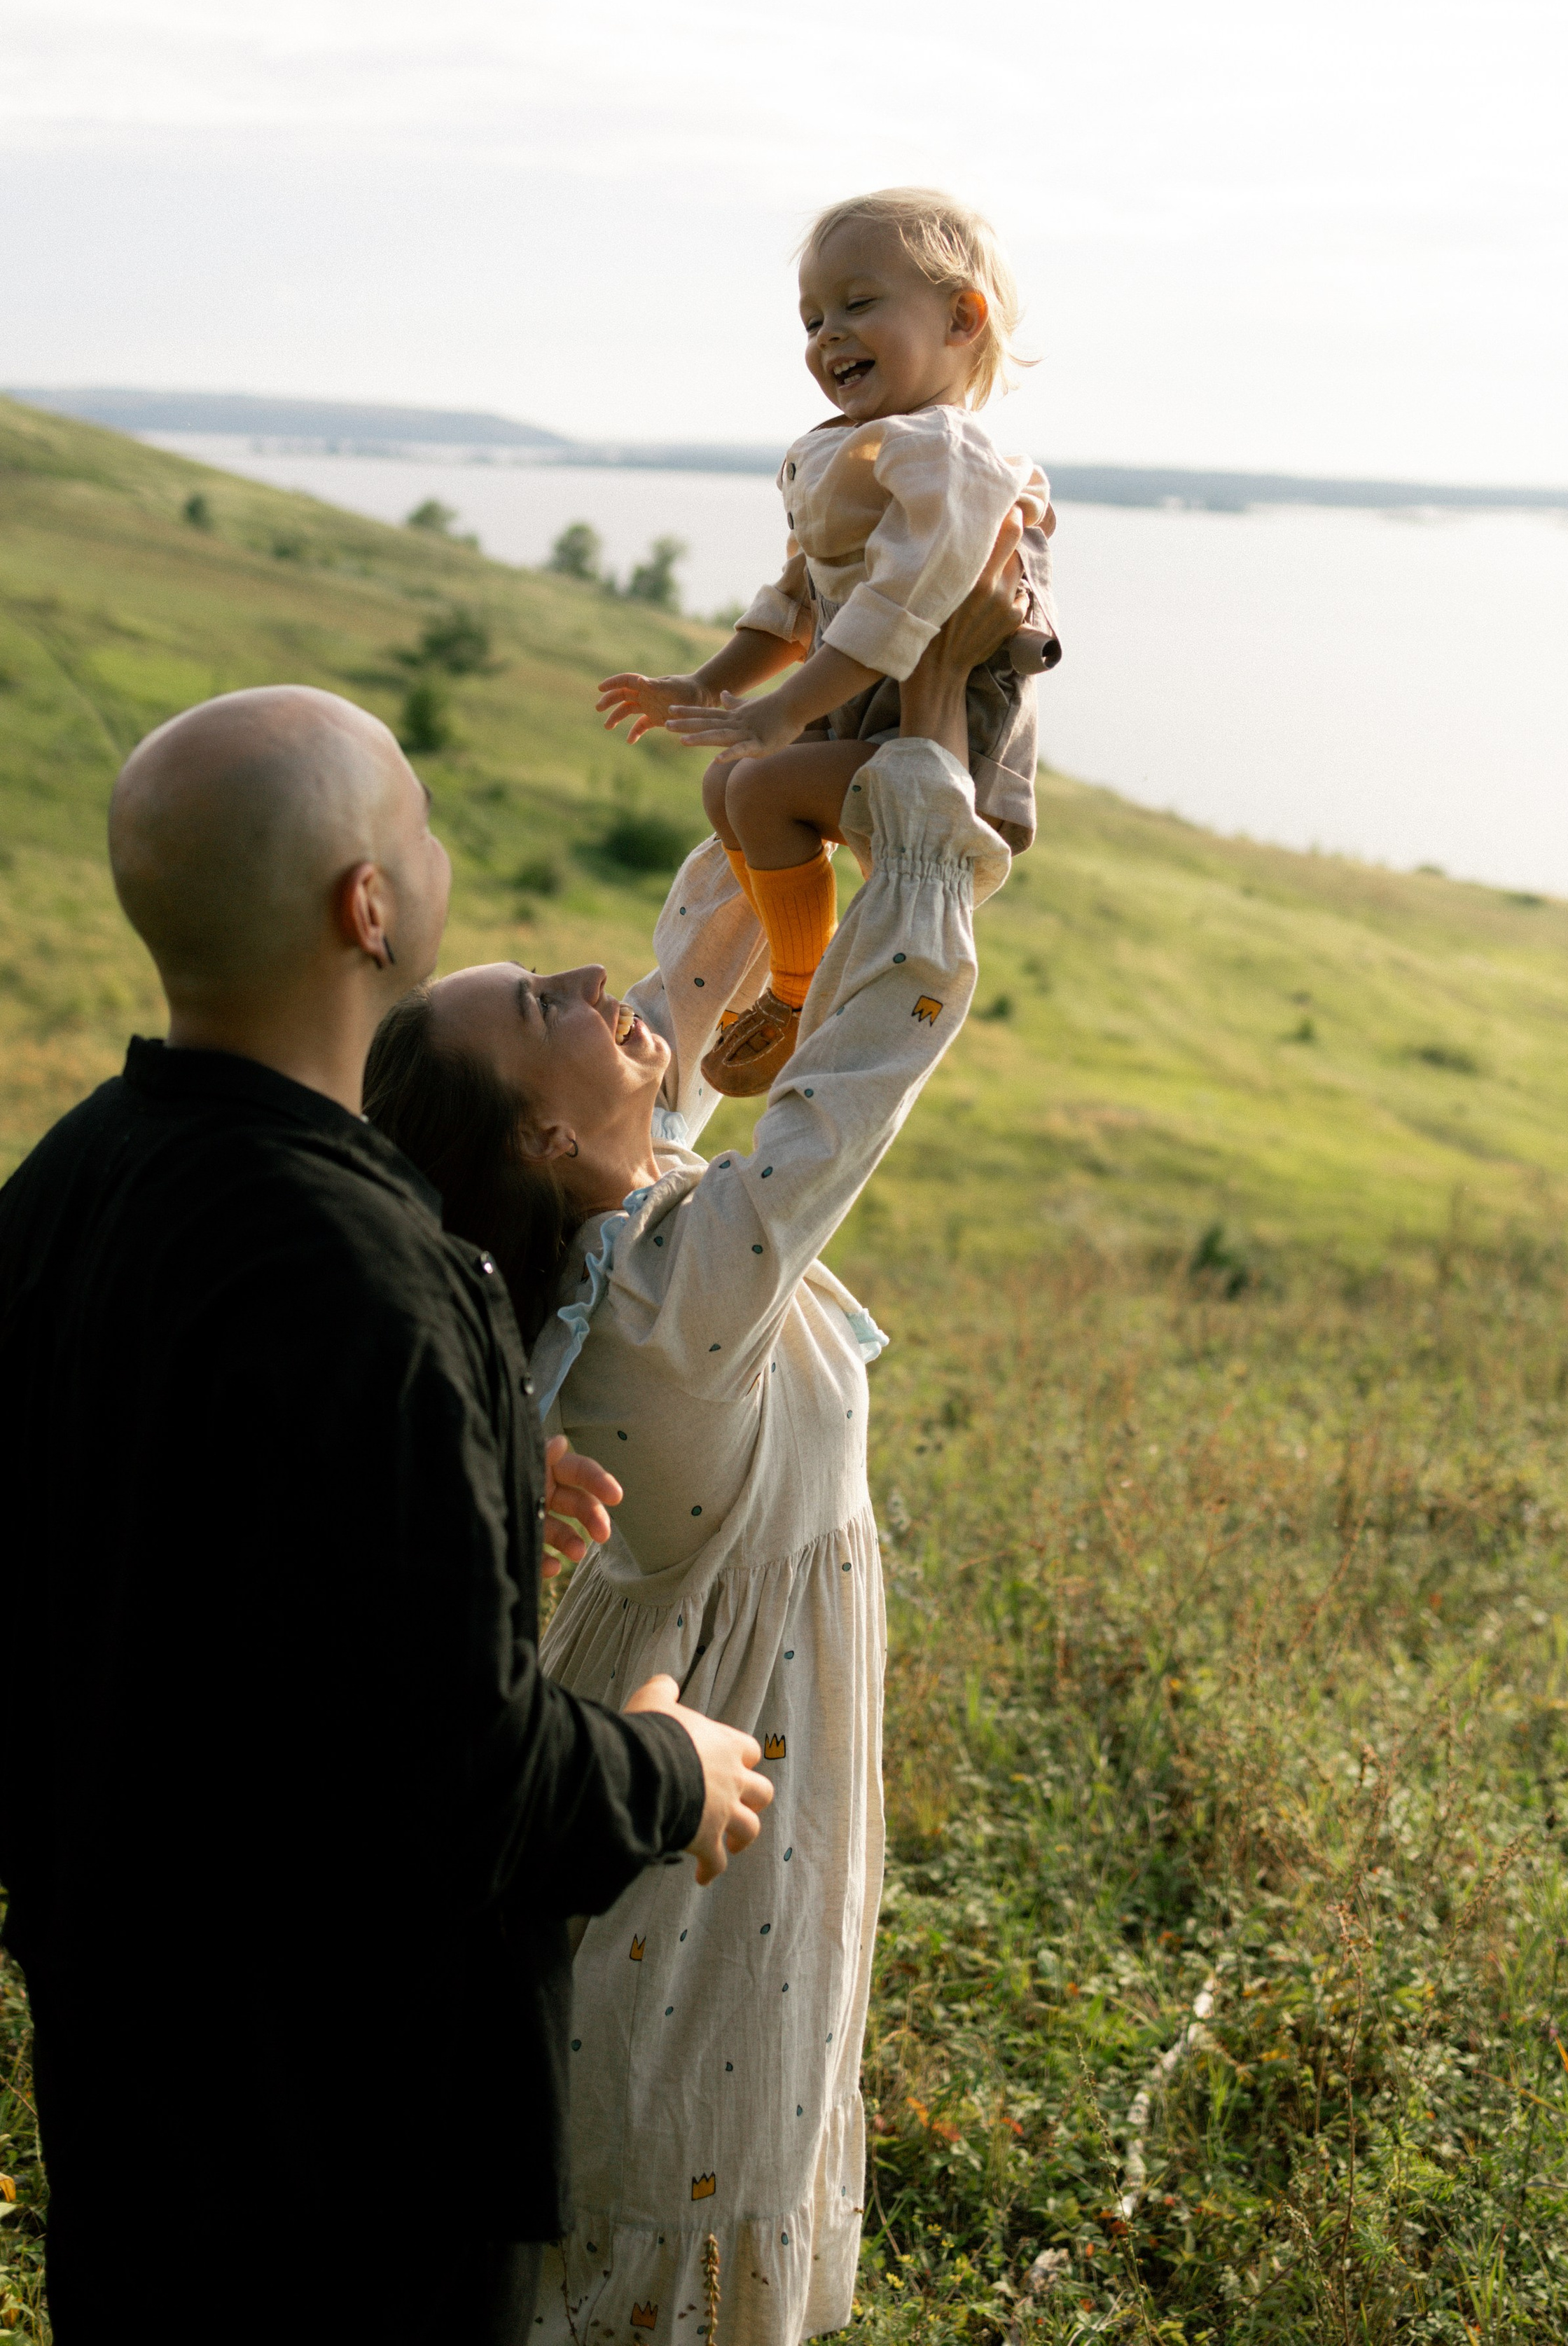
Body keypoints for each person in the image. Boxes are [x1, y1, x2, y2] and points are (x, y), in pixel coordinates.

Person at [0, 686, 773, 2346]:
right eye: (416, 825)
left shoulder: (75, 1181)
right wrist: (662, 1763)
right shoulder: (374, 1284)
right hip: (352, 2138)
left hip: (133, 2065)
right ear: (367, 906)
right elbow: (451, 1782)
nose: (437, 854)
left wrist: (480, 1474)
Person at [363, 534, 1029, 2346]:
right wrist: (921, 766)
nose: (596, 985)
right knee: (687, 2164)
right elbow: (868, 1054)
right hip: (732, 1786)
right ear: (543, 1149)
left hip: (751, 1742)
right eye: (541, 1009)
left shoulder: (603, 1229)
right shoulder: (658, 1296)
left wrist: (887, 649)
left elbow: (702, 948)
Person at [595, 186, 1060, 1098]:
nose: (828, 336)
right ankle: (791, 971)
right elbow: (799, 599)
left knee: (761, 781)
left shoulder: (950, 458)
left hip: (950, 743)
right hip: (866, 718)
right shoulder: (858, 450)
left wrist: (782, 715)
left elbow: (899, 612)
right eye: (813, 318)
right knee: (728, 783)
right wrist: (708, 685)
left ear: (963, 317)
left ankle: (798, 994)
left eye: (858, 304)